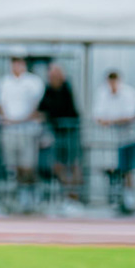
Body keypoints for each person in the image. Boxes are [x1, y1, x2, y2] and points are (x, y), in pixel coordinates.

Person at [0, 53, 45, 212]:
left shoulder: (33, 82)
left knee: (28, 165)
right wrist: (8, 119)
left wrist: (22, 119)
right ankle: (16, 196)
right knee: (12, 165)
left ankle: (30, 195)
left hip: (28, 129)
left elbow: (37, 105)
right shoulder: (4, 82)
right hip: (9, 130)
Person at [92, 69, 135, 214]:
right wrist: (116, 121)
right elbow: (98, 117)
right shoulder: (102, 93)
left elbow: (132, 115)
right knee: (113, 170)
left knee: (128, 169)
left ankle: (129, 198)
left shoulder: (129, 93)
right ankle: (116, 199)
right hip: (110, 141)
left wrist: (112, 121)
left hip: (129, 138)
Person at [39, 63, 82, 205]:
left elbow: (60, 108)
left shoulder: (66, 87)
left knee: (74, 163)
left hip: (71, 132)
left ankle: (74, 195)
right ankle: (68, 191)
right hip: (56, 134)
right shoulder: (48, 90)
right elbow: (42, 108)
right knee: (56, 164)